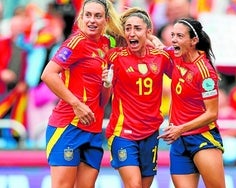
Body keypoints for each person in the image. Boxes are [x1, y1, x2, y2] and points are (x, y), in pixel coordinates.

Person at [40, 0, 124, 187]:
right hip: (68, 126)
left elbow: (103, 101)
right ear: (81, 17)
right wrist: (76, 104)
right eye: (88, 15)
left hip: (93, 130)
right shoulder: (76, 42)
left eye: (97, 16)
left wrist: (107, 84)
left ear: (106, 20)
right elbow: (48, 74)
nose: (92, 20)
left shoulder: (106, 43)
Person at [104, 7, 173, 188]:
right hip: (123, 133)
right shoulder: (115, 57)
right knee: (134, 185)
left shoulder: (161, 57)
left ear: (148, 32)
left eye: (137, 28)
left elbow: (183, 77)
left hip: (150, 133)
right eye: (128, 28)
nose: (132, 33)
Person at [156, 17, 226, 188]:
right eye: (173, 35)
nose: (174, 40)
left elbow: (212, 113)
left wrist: (181, 128)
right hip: (179, 140)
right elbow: (155, 45)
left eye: (179, 36)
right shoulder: (176, 55)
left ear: (194, 41)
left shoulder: (205, 72)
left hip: (202, 138)